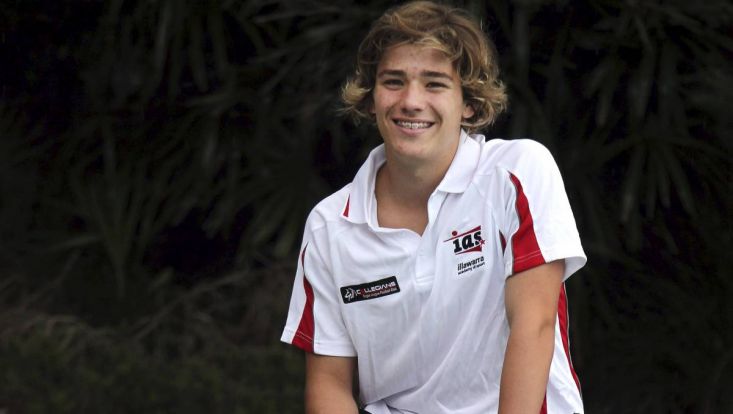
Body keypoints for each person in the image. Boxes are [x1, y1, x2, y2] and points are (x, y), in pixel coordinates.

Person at [281, 1, 586, 413]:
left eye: (435, 84)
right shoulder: (328, 226)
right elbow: (329, 385)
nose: (411, 101)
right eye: (393, 81)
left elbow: (534, 326)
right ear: (370, 99)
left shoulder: (517, 172)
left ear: (469, 103)